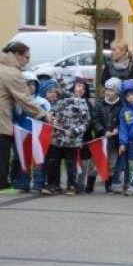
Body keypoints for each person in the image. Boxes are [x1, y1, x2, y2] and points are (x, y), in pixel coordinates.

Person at [0, 41, 47, 192]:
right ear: (16, 55)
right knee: (2, 152)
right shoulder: (12, 73)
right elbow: (24, 99)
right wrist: (43, 114)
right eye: (26, 57)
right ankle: (2, 185)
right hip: (1, 121)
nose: (27, 60)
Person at [46, 80, 91, 195]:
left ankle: (72, 185)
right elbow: (52, 114)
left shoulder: (82, 103)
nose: (80, 89)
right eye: (78, 86)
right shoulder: (59, 102)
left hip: (72, 140)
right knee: (53, 162)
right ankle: (54, 185)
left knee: (71, 163)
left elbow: (85, 122)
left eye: (83, 87)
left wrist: (75, 131)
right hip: (57, 138)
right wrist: (52, 118)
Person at [94, 78, 125, 193]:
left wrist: (117, 129)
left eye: (111, 90)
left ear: (117, 92)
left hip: (114, 139)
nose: (108, 92)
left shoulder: (122, 105)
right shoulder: (100, 104)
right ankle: (89, 185)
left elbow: (123, 120)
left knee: (112, 163)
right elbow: (95, 119)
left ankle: (110, 185)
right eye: (106, 89)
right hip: (101, 138)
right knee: (97, 162)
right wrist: (102, 130)